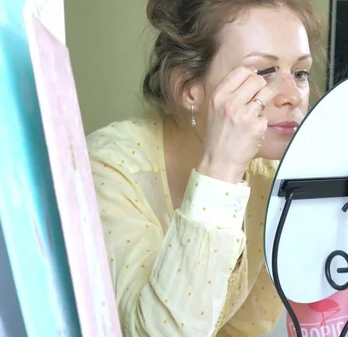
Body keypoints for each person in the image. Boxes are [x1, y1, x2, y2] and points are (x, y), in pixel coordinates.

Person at [87, 0, 322, 336]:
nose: (294, 96)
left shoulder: (271, 177)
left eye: (299, 73)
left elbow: (241, 331)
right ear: (188, 88)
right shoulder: (109, 169)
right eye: (263, 72)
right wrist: (221, 169)